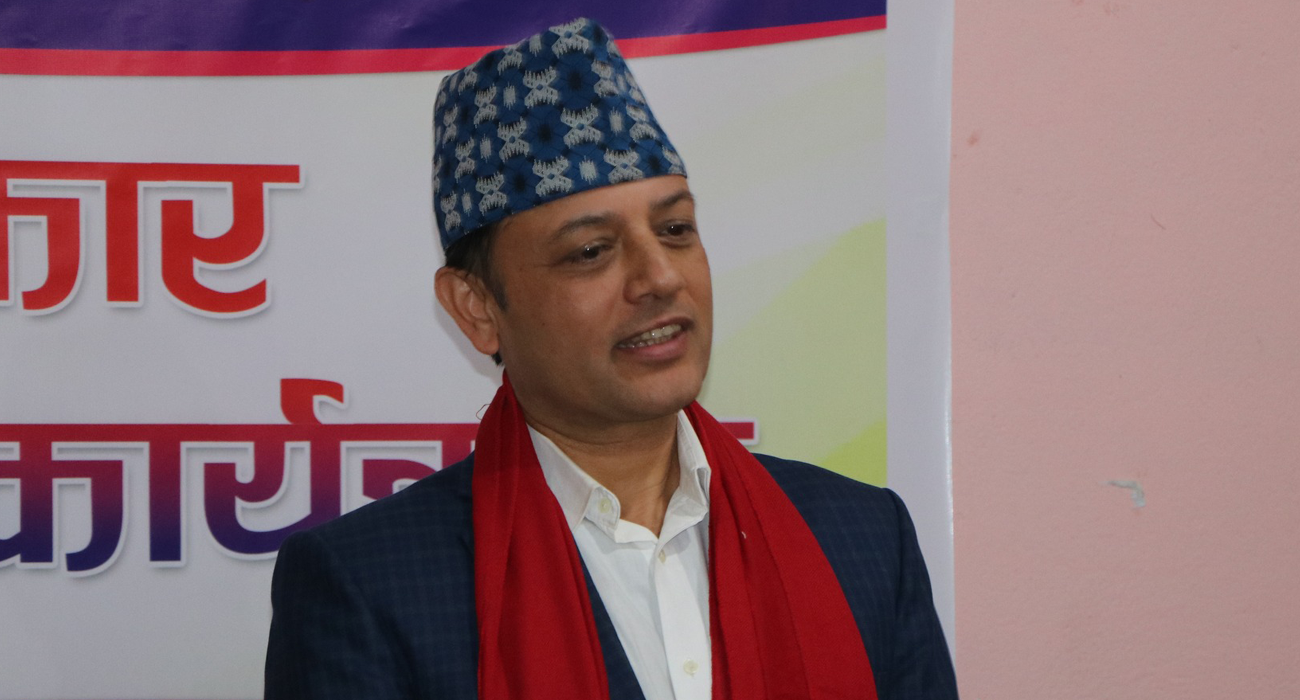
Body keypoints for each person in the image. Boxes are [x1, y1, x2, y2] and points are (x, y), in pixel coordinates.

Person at [265, 17, 957, 700]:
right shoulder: (370, 586)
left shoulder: (861, 538)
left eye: (676, 229)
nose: (661, 277)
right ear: (476, 307)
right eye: (592, 251)